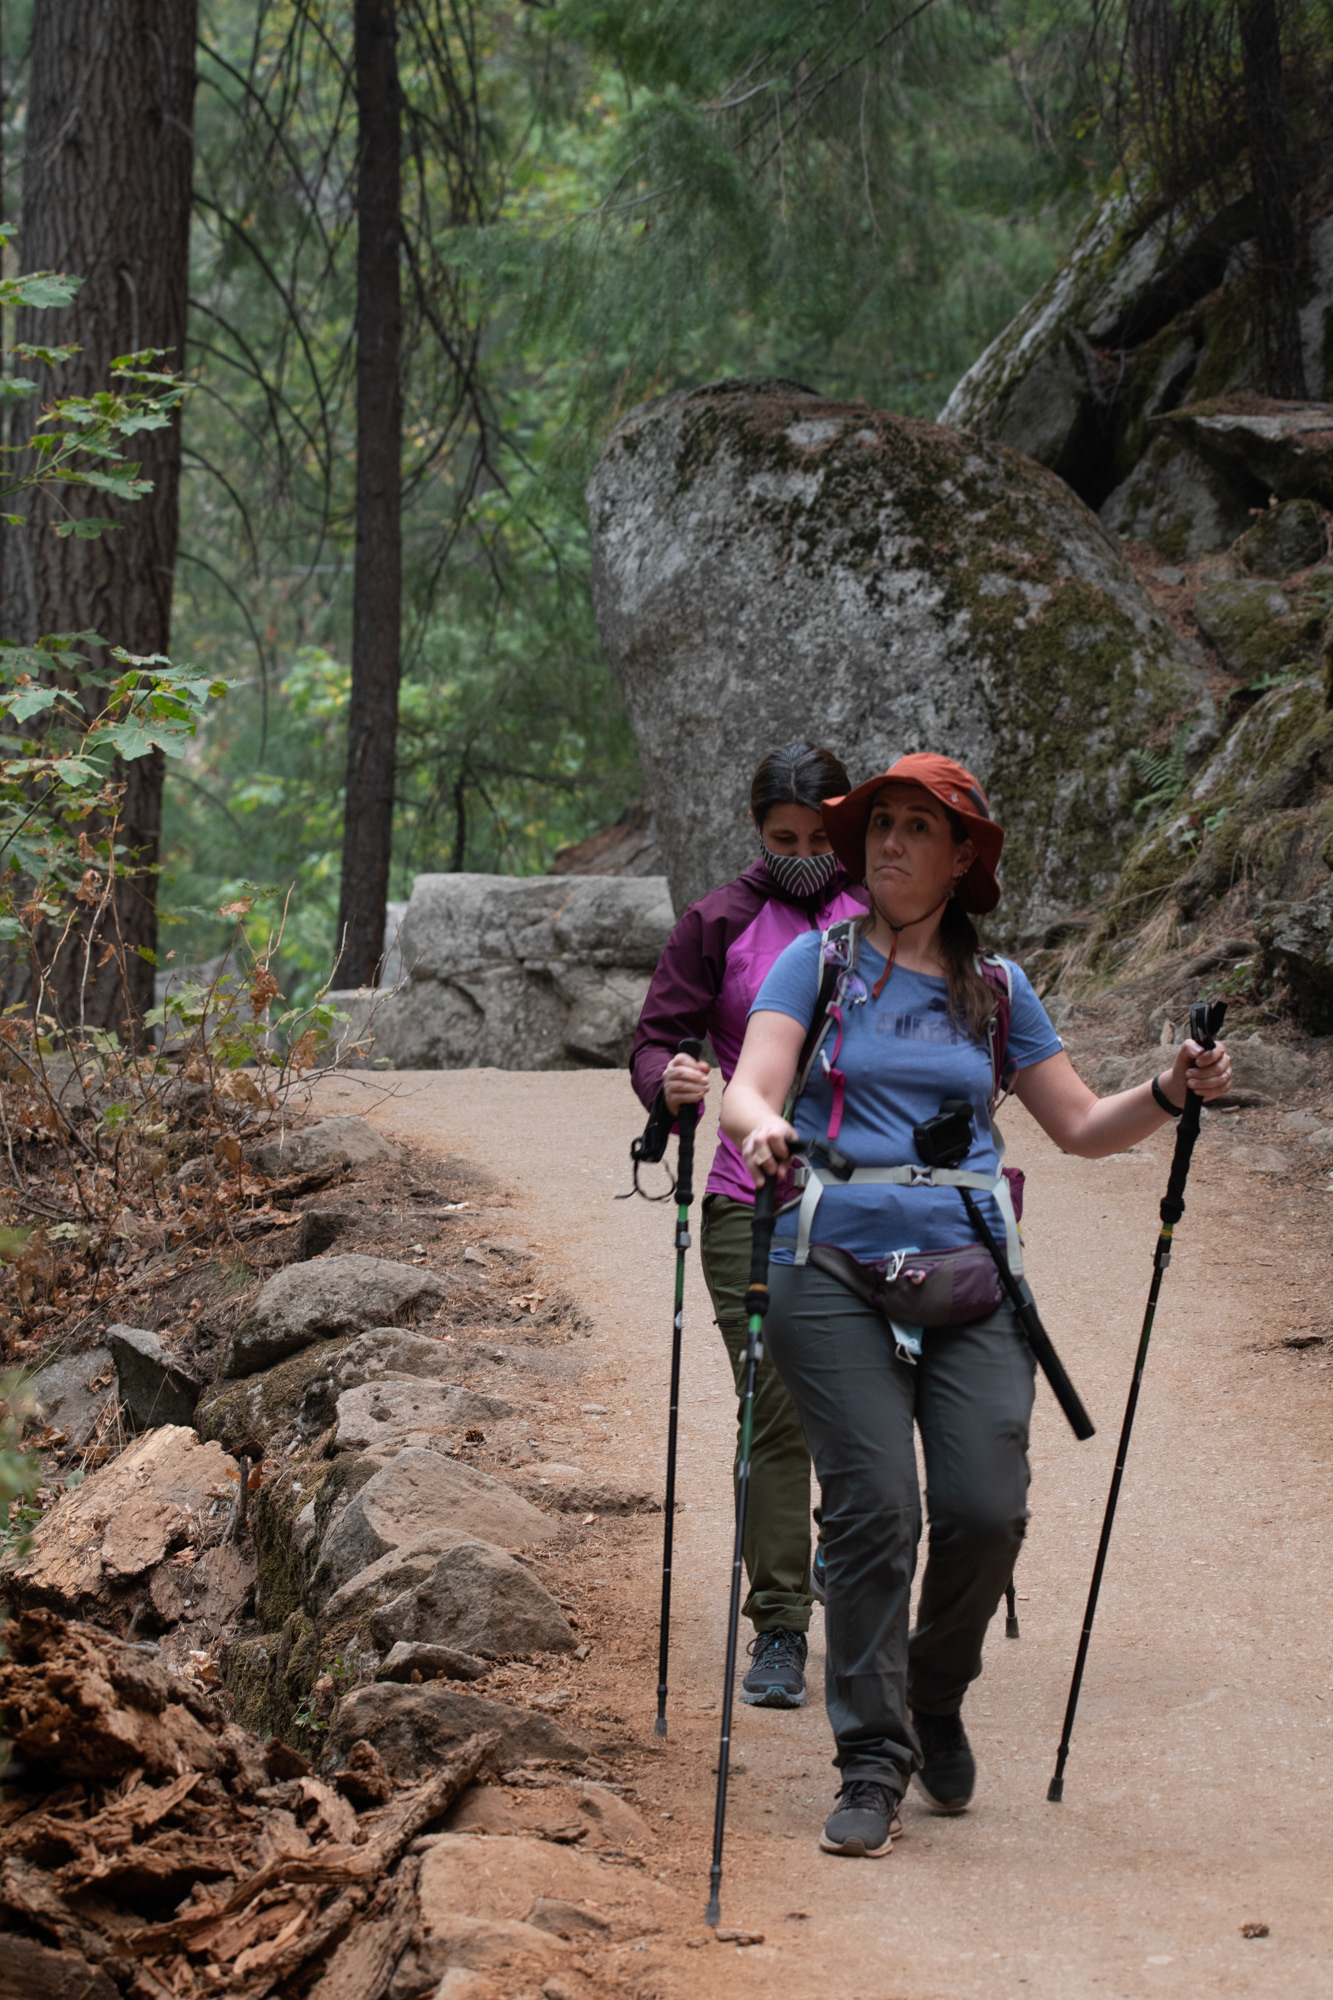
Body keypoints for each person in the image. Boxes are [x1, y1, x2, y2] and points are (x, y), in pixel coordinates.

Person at [721, 751, 1232, 1855]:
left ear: (962, 858)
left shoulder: (996, 988)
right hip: (830, 1266)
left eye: (917, 828)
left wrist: (1168, 1089)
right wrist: (760, 1123)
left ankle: (933, 1688)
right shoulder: (815, 966)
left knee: (987, 1506)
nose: (890, 843)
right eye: (880, 825)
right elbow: (751, 1080)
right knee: (874, 1514)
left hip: (969, 1274)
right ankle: (870, 1757)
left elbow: (1082, 1125)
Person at [631, 742, 867, 1709]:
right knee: (772, 1404)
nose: (805, 854)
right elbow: (656, 1038)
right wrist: (672, 1081)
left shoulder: (891, 908)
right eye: (784, 838)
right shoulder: (718, 920)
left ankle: (832, 1553)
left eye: (821, 836)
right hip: (745, 1190)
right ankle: (779, 1623)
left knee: (855, 1404)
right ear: (755, 832)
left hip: (870, 1193)